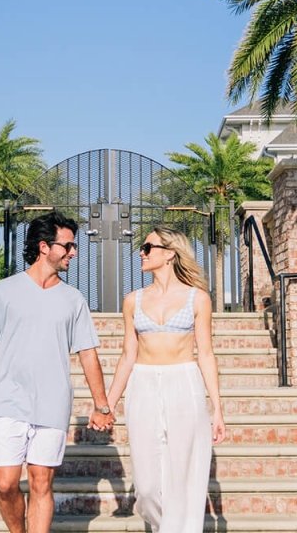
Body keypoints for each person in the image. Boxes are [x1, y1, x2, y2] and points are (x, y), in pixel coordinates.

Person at [0, 212, 113, 533]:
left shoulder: (73, 300)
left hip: (52, 403)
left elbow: (87, 354)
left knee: (41, 482)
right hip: (7, 399)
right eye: (67, 246)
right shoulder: (4, 291)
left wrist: (101, 404)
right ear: (44, 247)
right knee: (6, 484)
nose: (73, 252)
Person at [99, 226, 225, 533]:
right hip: (143, 384)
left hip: (184, 381)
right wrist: (107, 405)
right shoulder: (133, 300)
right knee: (146, 487)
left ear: (170, 253)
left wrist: (217, 409)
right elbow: (127, 355)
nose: (141, 253)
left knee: (184, 474)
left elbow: (206, 354)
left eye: (147, 247)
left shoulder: (197, 299)